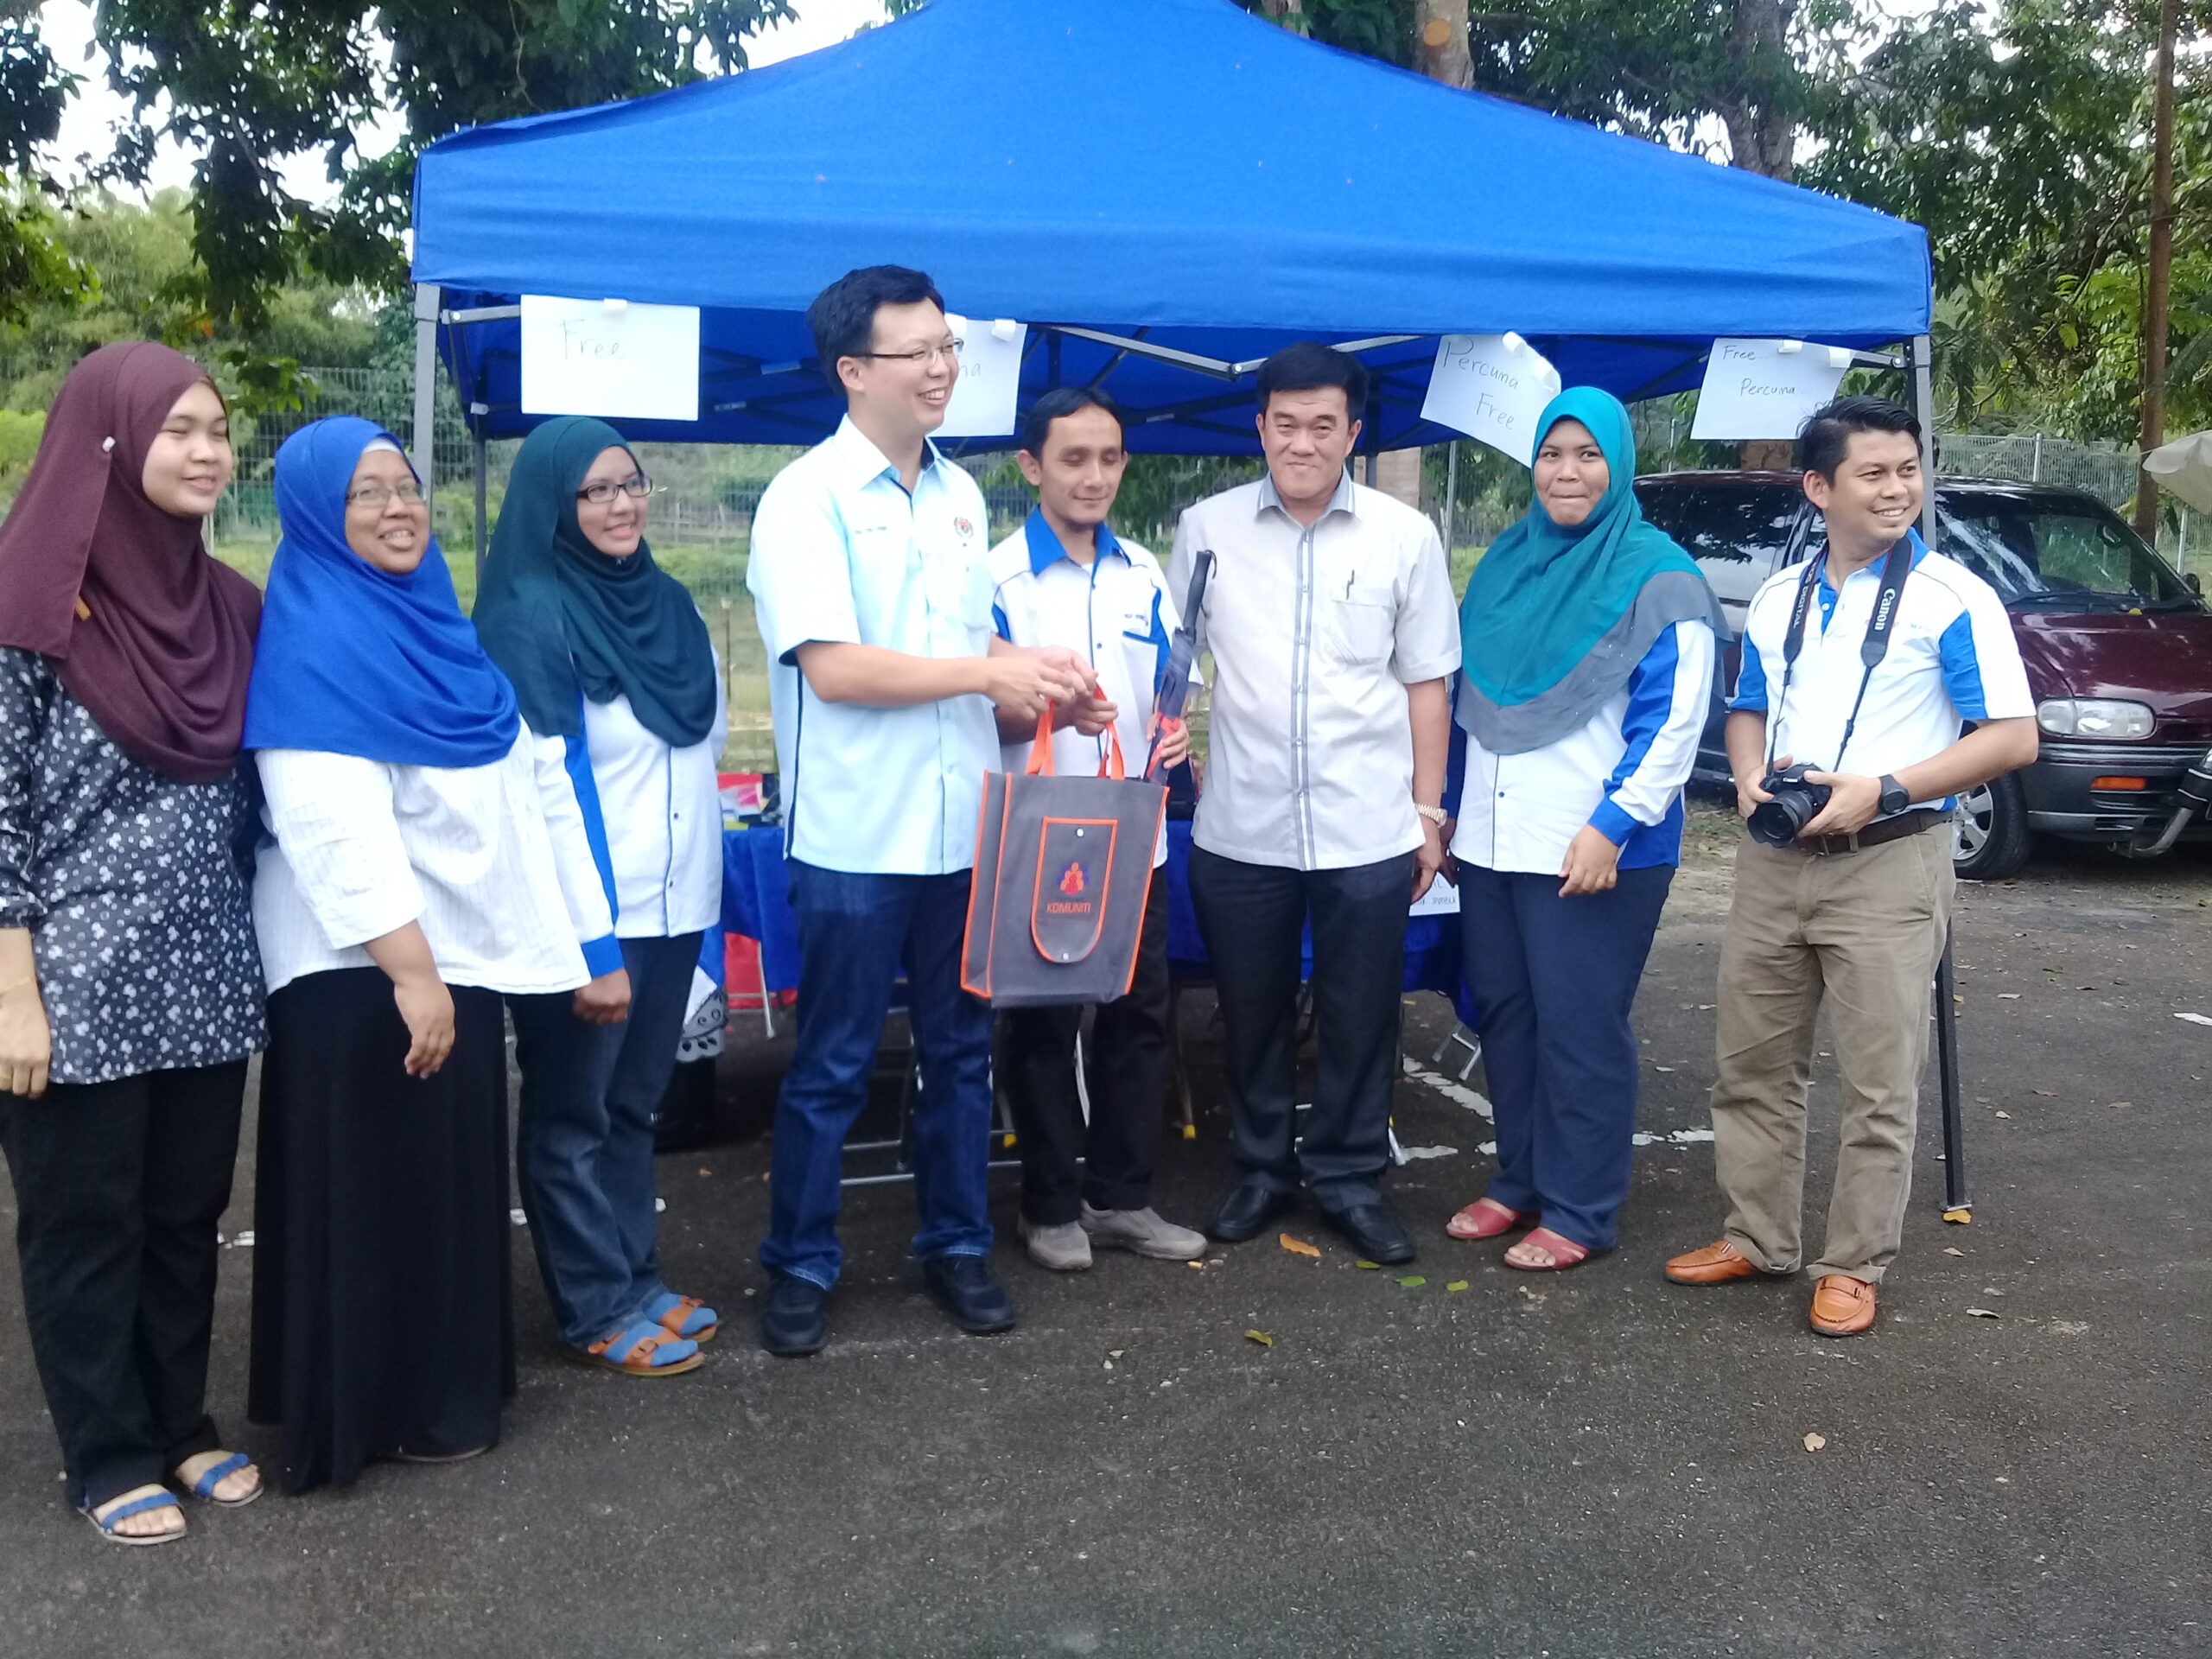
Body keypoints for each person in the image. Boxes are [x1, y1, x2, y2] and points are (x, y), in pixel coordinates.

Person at [245, 417, 671, 1496]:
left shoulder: (443, 634)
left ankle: (444, 1398)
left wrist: (581, 942)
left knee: (444, 1195)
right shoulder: (316, 640)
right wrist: (411, 973)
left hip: (458, 962)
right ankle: (374, 1413)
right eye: (366, 494)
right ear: (316, 514)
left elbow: (535, 787)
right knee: (377, 1197)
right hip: (363, 972)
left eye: (407, 487)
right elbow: (327, 822)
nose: (398, 509)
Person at [745, 265, 1090, 1355]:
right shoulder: (804, 498)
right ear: (853, 371)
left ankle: (956, 1246)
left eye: (948, 347)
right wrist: (986, 674)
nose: (943, 369)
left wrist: (1038, 678)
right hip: (856, 832)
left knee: (961, 1052)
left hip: (960, 828)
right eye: (919, 352)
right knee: (834, 1063)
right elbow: (836, 667)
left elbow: (958, 641)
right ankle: (799, 1263)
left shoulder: (959, 496)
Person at [1665, 395, 2038, 1336]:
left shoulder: (1952, 597)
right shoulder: (1780, 595)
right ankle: (1757, 1237)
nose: (1897, 489)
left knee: (1878, 1083)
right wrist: (1748, 777)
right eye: (1872, 473)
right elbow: (1748, 707)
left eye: (1908, 470)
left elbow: (2012, 737)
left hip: (1889, 858)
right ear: (1818, 487)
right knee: (1750, 1065)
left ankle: (1853, 1264)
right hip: (1777, 858)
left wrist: (1887, 788)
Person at [0, 342, 265, 1544]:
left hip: (205, 972)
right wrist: (15, 996)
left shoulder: (231, 609)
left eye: (219, 429)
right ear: (107, 441)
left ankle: (178, 1425)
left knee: (184, 1215)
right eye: (179, 430)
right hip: (72, 983)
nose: (209, 452)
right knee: (84, 1223)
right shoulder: (29, 610)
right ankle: (107, 1454)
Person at [1167, 342, 1460, 1267]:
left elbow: (1427, 684)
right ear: (1259, 427)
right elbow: (1177, 666)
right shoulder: (1206, 528)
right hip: (1241, 825)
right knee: (1249, 1009)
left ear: (1352, 432)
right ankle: (1259, 1169)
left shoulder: (1403, 536)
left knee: (1361, 1013)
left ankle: (1347, 1178)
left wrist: (1427, 815)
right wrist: (1175, 743)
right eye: (1285, 424)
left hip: (1365, 824)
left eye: (1322, 425)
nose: (1302, 442)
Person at [1442, 389, 1721, 1271]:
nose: (1567, 472)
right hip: (1492, 843)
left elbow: (1673, 722)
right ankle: (1520, 1179)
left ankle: (1581, 1208)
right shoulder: (1502, 566)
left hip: (1593, 850)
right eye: (1552, 455)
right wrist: (1446, 814)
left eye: (1588, 455)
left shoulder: (1658, 575)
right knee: (1507, 1018)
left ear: (1619, 465)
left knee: (1580, 1028)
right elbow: (1465, 707)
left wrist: (1611, 826)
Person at [476, 416, 727, 1372]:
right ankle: (592, 1305)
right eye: (595, 491)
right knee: (572, 1114)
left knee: (635, 1104)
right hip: (591, 912)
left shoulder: (670, 603)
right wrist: (590, 943)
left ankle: (636, 1276)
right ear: (553, 502)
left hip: (676, 903)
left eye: (632, 484)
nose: (621, 505)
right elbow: (541, 788)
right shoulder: (528, 616)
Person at [986, 388, 1206, 1273]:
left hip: (1135, 832)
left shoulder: (1141, 571)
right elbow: (978, 709)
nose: (1094, 476)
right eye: (1073, 458)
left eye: (1109, 458)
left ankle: (1121, 1198)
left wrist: (1176, 730)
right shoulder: (997, 579)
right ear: (1030, 465)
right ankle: (1048, 1207)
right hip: (1039, 836)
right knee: (1042, 1023)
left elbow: (1168, 688)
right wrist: (1048, 713)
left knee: (1139, 1013)